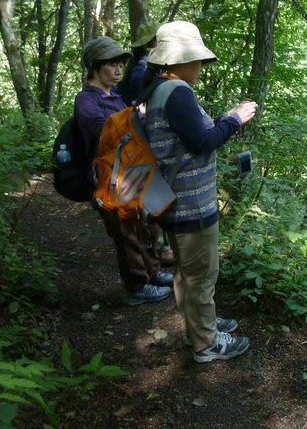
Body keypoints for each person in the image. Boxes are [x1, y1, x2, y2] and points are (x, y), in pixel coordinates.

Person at [142, 21, 257, 362]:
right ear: (177, 60)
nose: (201, 66)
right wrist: (234, 119)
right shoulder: (177, 92)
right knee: (203, 274)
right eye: (197, 59)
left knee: (186, 271)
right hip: (191, 203)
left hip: (172, 198)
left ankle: (199, 325)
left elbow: (189, 136)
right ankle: (206, 344)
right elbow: (200, 142)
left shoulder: (158, 88)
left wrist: (222, 119)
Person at [75, 35, 174, 306]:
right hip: (108, 178)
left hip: (130, 173)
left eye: (120, 64)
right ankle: (136, 285)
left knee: (144, 223)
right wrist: (132, 117)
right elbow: (104, 129)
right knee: (124, 231)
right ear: (95, 66)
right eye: (112, 64)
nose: (119, 70)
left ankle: (152, 273)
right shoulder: (86, 100)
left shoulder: (116, 97)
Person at [116, 21, 176, 266]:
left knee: (147, 195)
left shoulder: (136, 69)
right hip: (141, 140)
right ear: (154, 45)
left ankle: (155, 250)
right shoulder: (142, 71)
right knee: (151, 195)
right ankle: (158, 250)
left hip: (134, 140)